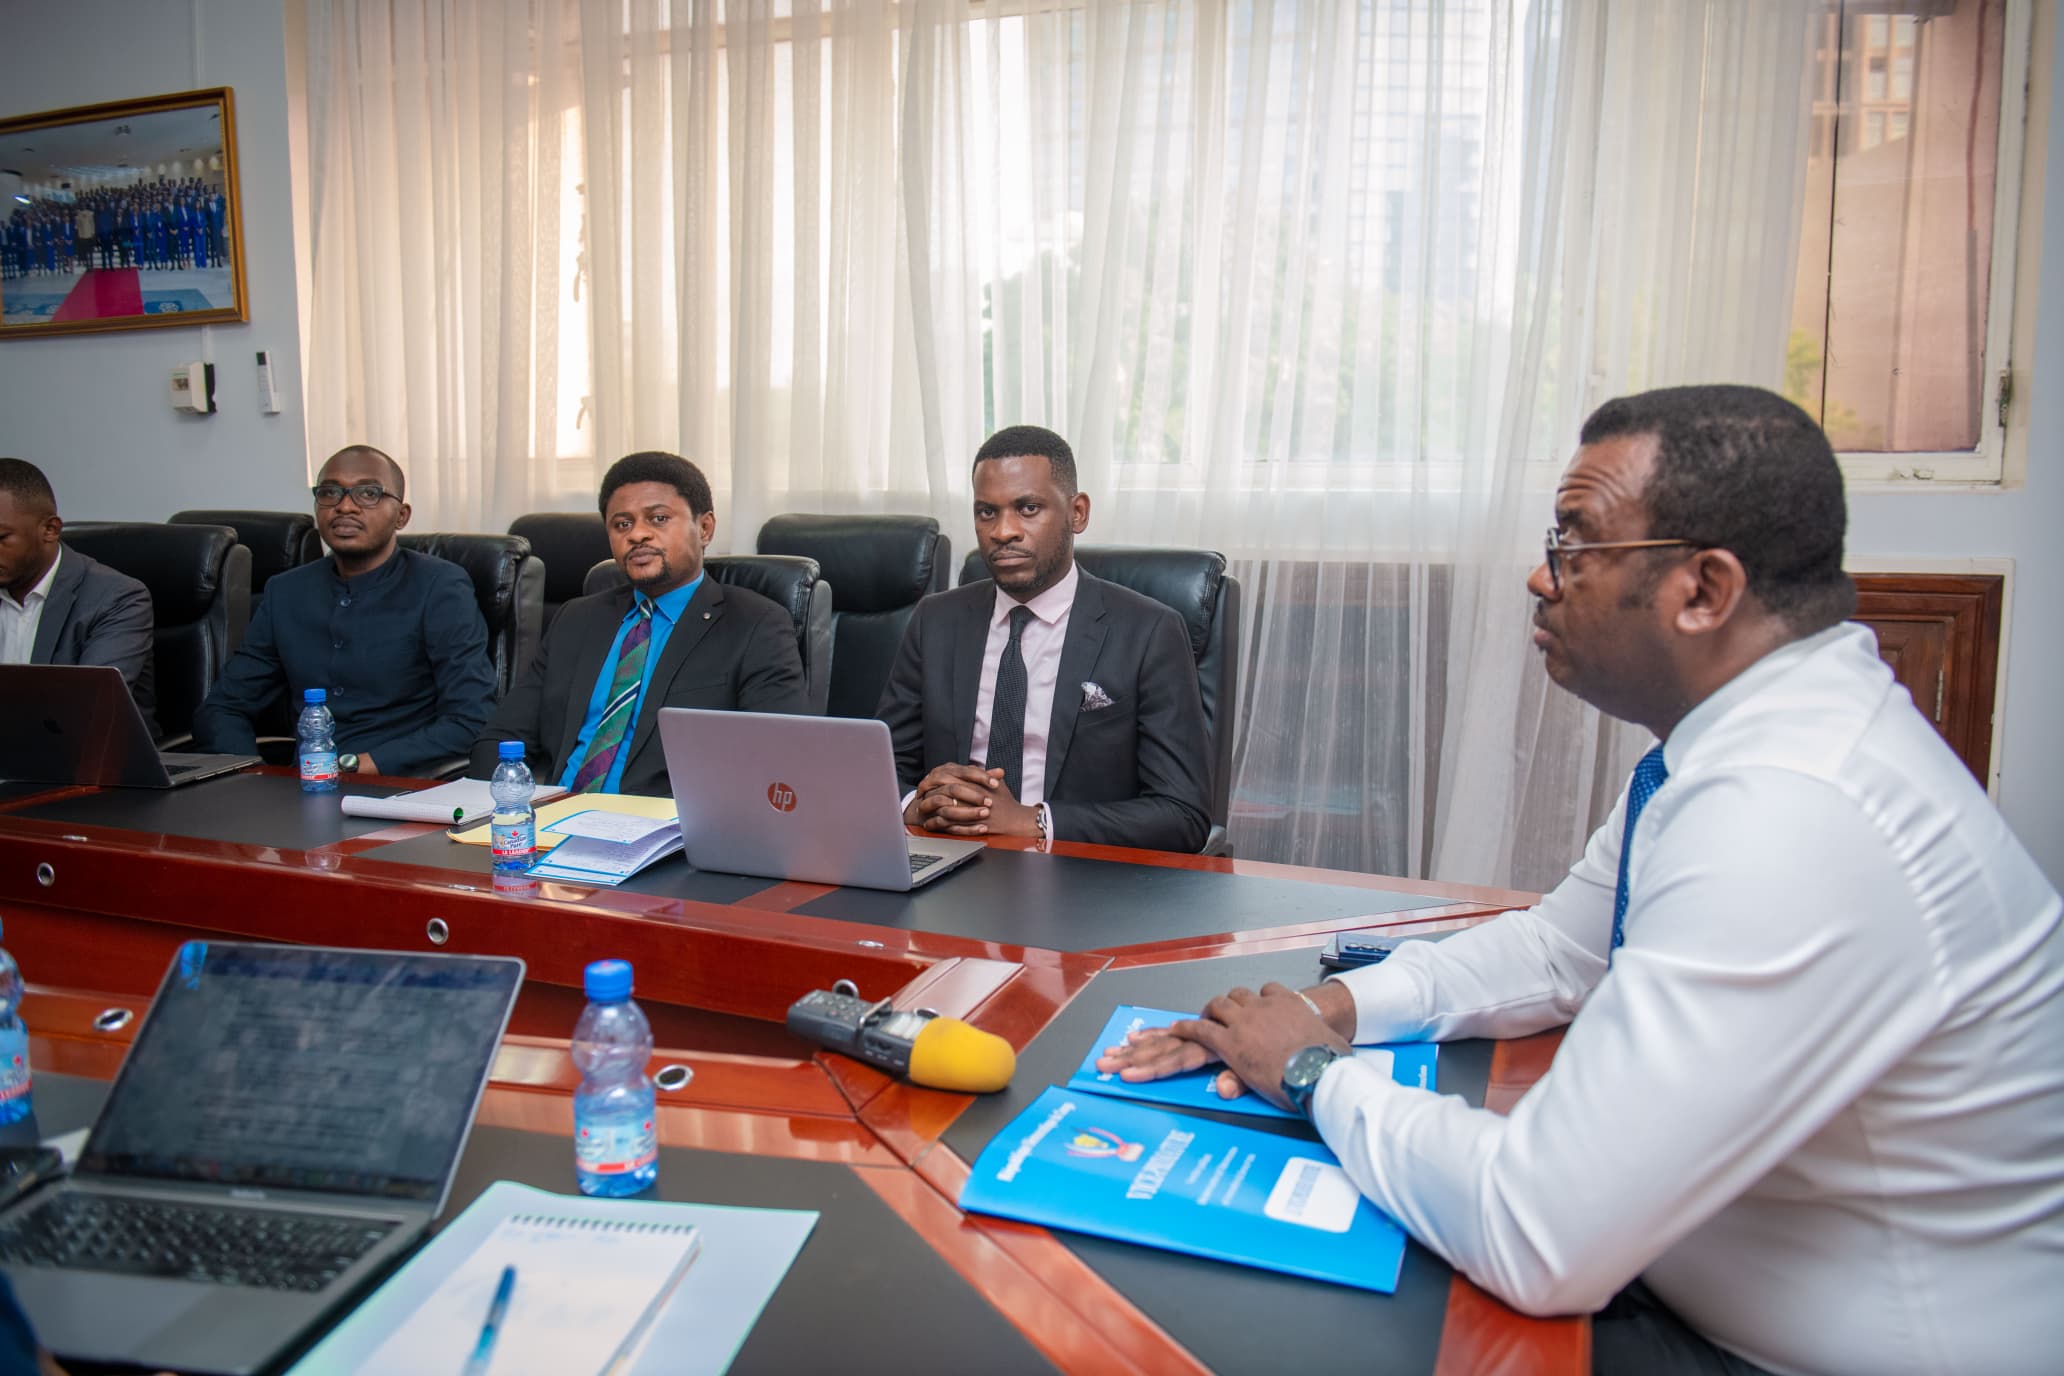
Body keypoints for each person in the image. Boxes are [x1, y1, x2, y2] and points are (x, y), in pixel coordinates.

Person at [1098, 385, 2064, 1374]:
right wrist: (1326, 1005)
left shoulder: (1793, 809)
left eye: (1576, 543)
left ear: (1704, 589)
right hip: (1683, 1274)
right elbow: (1559, 947)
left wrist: (1309, 1072)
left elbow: (1535, 1228)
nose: (1539, 575)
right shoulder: (1741, 745)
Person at [877, 425, 1211, 853]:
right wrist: (917, 806)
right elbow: (882, 766)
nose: (1003, 531)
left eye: (1028, 508)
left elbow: (1182, 814)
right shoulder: (936, 621)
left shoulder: (1148, 632)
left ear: (1078, 513)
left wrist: (1029, 821)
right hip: (948, 861)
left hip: (1080, 881)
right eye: (986, 512)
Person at [471, 451, 807, 795]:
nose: (637, 535)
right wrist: (505, 815)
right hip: (554, 823)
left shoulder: (755, 625)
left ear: (704, 528)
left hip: (669, 834)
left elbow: (776, 761)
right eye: (622, 524)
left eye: (659, 518)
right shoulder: (576, 619)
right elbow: (500, 739)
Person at [191, 446, 494, 777]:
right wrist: (252, 776)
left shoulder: (440, 587)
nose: (345, 506)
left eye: (368, 493)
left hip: (402, 785)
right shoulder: (286, 592)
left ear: (401, 516)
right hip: (298, 793)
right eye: (330, 492)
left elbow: (471, 718)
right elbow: (223, 708)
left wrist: (361, 764)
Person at [0, 458, 158, 735]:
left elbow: (88, 712)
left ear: (50, 530)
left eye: (1, 538)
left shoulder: (118, 599)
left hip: (86, 767)